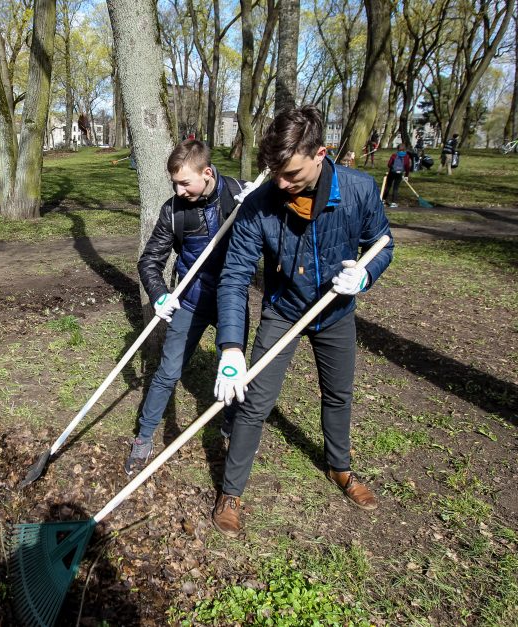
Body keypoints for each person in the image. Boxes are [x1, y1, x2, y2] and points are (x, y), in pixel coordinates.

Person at [210, 105, 394, 536]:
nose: (282, 182)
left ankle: (340, 468)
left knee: (338, 393)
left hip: (336, 312)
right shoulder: (260, 205)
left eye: (291, 173)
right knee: (254, 403)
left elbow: (383, 241)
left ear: (320, 154)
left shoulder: (358, 190)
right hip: (283, 309)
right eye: (275, 171)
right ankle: (231, 491)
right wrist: (231, 347)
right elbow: (236, 275)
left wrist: (365, 274)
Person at [124, 139, 255, 475]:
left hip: (233, 302)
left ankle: (229, 425)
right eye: (175, 184)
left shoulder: (243, 195)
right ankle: (144, 435)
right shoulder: (173, 210)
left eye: (185, 182)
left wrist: (260, 209)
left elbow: (276, 241)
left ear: (207, 173)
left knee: (235, 374)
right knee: (168, 371)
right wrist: (159, 294)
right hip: (191, 301)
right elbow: (150, 260)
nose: (179, 190)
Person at [383, 144, 411, 208]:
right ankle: (393, 202)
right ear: (404, 149)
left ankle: (383, 200)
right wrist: (406, 175)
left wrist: (392, 167)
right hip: (399, 174)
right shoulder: (406, 157)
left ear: (397, 149)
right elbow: (407, 167)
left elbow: (389, 164)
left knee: (388, 186)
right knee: (396, 188)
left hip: (392, 173)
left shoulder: (394, 155)